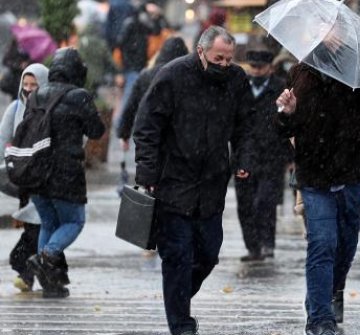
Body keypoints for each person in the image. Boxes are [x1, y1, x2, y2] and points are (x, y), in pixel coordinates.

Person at [133, 26, 255, 335]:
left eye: (229, 59)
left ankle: (177, 297)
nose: (224, 65)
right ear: (201, 52)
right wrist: (146, 173)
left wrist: (243, 159)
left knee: (208, 254)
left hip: (212, 183)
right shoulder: (172, 76)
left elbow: (246, 126)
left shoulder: (237, 80)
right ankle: (181, 324)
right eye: (218, 58)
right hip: (172, 180)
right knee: (177, 255)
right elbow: (147, 127)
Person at [273, 46, 360, 335]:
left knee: (345, 247)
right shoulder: (299, 73)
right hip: (315, 174)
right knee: (322, 244)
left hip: (354, 171)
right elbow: (285, 129)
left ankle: (324, 294)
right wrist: (287, 113)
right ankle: (320, 319)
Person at [25, 48, 106, 298]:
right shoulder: (78, 96)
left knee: (48, 223)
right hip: (65, 172)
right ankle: (46, 256)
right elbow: (96, 131)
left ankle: (50, 284)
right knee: (74, 221)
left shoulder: (36, 95)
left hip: (36, 172)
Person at [235, 47, 293, 262]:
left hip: (272, 156)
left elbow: (289, 124)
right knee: (245, 202)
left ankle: (267, 243)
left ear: (270, 68)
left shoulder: (280, 89)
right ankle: (253, 247)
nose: (256, 71)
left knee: (265, 202)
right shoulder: (240, 88)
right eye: (253, 67)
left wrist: (290, 157)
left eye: (261, 67)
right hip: (244, 157)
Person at [0, 63, 48, 292]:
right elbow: (2, 139)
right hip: (22, 178)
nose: (29, 89)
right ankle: (33, 271)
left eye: (34, 85)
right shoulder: (15, 108)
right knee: (34, 225)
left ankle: (27, 267)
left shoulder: (51, 108)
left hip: (45, 177)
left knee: (40, 225)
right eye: (25, 84)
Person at [117, 36, 189, 149]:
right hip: (179, 137)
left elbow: (131, 106)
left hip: (149, 134)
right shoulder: (188, 77)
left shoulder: (146, 76)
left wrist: (124, 134)